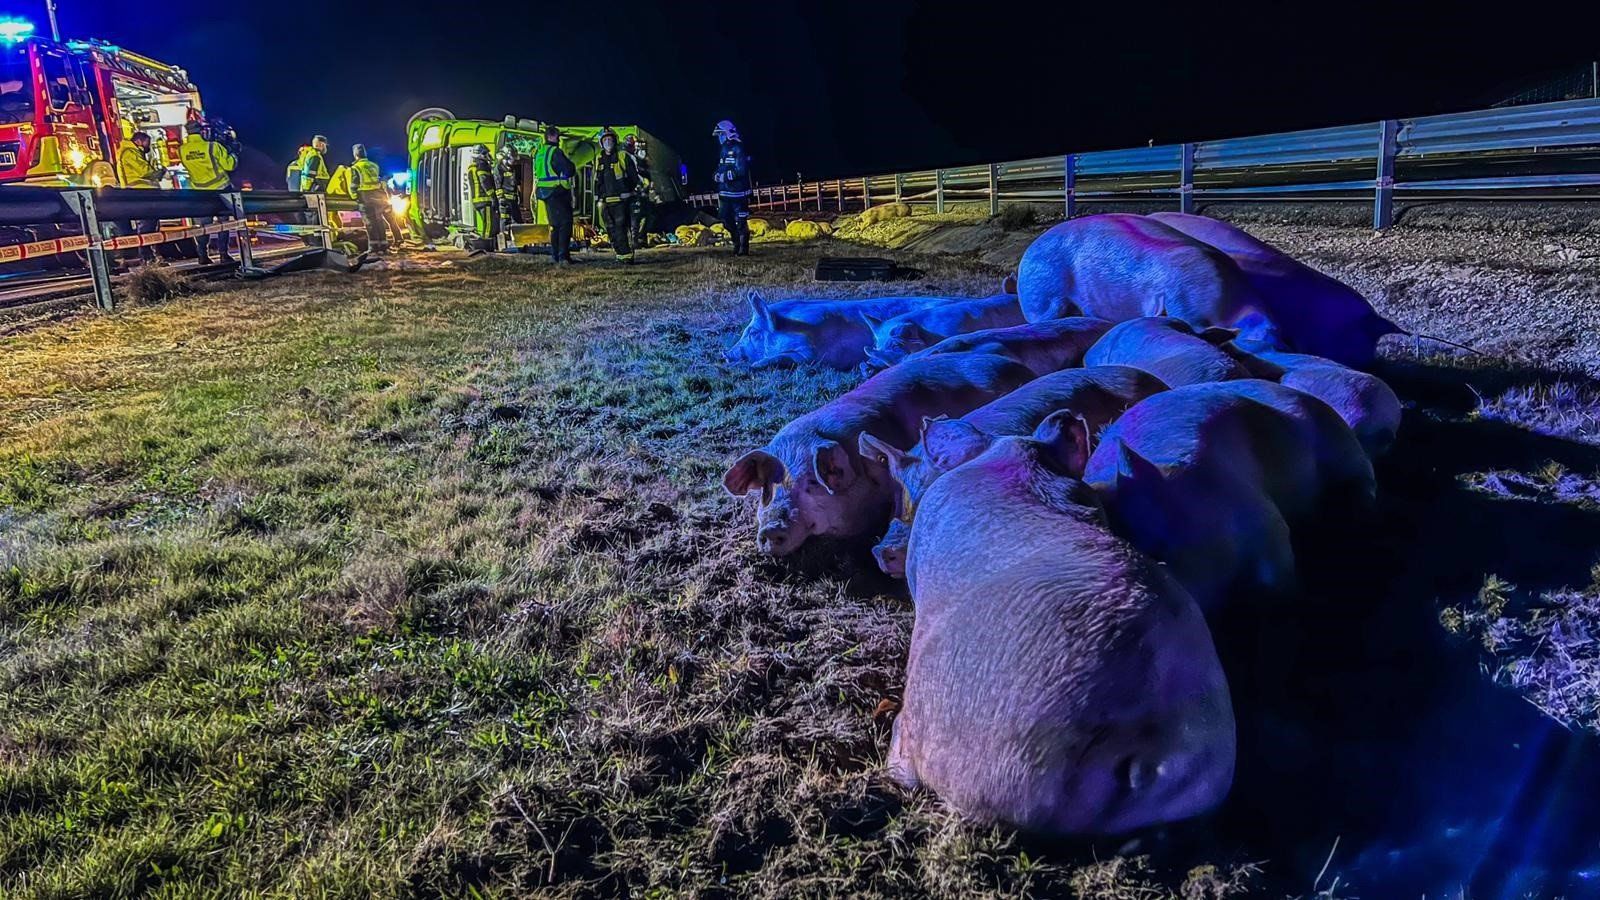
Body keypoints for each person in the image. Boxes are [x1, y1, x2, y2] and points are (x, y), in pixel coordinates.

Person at [179, 121, 237, 265]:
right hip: (220, 189)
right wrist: (234, 155)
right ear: (202, 132)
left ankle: (202, 255)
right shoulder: (213, 146)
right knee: (224, 224)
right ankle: (224, 254)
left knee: (204, 226)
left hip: (199, 192)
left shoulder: (182, 150)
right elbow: (229, 165)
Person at [115, 131, 164, 264]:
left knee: (150, 226)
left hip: (143, 194)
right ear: (139, 141)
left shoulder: (131, 152)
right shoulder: (130, 153)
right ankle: (147, 257)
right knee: (147, 227)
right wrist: (158, 172)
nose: (148, 146)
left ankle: (150, 257)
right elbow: (144, 171)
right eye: (147, 142)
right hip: (141, 194)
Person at [592, 128, 639, 263]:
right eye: (605, 140)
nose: (608, 142)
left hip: (621, 200)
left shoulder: (622, 156)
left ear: (615, 141)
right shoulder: (599, 159)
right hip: (606, 201)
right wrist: (597, 195)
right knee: (610, 229)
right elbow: (597, 179)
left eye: (610, 139)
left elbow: (633, 177)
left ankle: (627, 257)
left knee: (621, 229)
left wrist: (628, 191)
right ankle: (620, 255)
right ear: (601, 143)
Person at [533, 125, 575, 264]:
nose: (558, 139)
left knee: (554, 225)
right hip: (556, 191)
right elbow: (569, 169)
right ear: (551, 136)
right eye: (557, 136)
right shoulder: (555, 152)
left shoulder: (540, 152)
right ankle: (563, 256)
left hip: (544, 192)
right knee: (565, 223)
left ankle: (556, 255)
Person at [351, 144, 401, 254]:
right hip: (378, 195)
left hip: (365, 196)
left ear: (355, 155)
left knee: (370, 222)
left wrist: (354, 197)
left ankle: (373, 247)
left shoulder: (356, 167)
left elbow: (354, 185)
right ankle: (383, 246)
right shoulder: (374, 165)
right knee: (379, 221)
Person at [713, 119, 751, 255]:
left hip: (738, 193)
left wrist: (726, 176)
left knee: (741, 221)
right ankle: (736, 242)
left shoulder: (738, 148)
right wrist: (716, 175)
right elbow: (721, 166)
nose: (719, 138)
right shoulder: (723, 149)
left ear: (727, 133)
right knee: (725, 220)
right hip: (725, 193)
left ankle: (743, 249)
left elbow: (741, 170)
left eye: (721, 134)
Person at [465, 145, 497, 246]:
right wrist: (492, 196)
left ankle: (485, 243)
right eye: (486, 153)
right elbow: (484, 182)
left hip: (477, 200)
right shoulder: (482, 165)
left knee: (485, 223)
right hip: (484, 199)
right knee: (488, 224)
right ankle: (486, 245)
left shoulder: (472, 167)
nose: (488, 156)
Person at [624, 134, 652, 250]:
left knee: (645, 215)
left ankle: (641, 238)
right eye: (633, 145)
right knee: (634, 217)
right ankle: (634, 241)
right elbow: (633, 175)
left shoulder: (637, 159)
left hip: (641, 191)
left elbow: (645, 174)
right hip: (632, 191)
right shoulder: (626, 157)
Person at [494, 145, 521, 229]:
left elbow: (515, 183)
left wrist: (518, 195)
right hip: (504, 201)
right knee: (505, 220)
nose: (514, 161)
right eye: (512, 158)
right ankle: (504, 239)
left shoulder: (512, 168)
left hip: (513, 200)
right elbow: (497, 184)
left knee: (517, 221)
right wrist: (501, 199)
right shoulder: (499, 168)